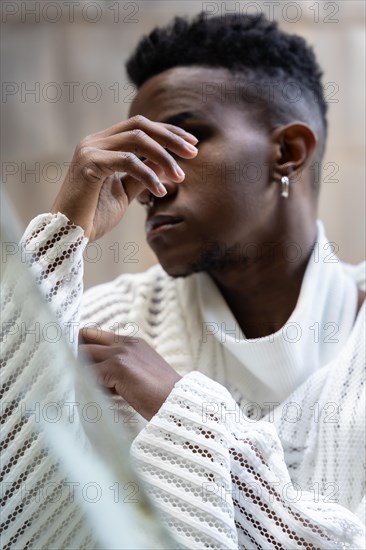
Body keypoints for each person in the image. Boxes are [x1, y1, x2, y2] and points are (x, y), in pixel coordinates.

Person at [2, 12, 365, 549]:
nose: (149, 185)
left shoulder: (137, 371)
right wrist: (60, 239)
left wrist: (182, 414)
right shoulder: (103, 329)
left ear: (287, 153)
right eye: (139, 150)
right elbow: (14, 506)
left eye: (181, 139)